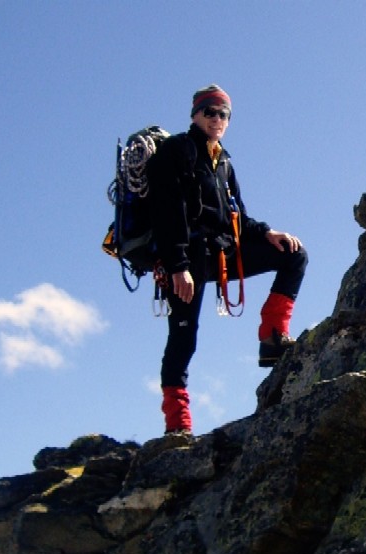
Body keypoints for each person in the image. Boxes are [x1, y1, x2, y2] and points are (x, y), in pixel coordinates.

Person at [147, 84, 307, 435]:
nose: (217, 119)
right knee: (183, 339)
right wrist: (177, 266)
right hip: (186, 261)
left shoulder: (224, 161)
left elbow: (237, 217)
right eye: (210, 112)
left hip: (220, 255)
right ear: (195, 115)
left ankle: (272, 338)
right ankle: (178, 427)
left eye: (224, 114)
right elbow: (166, 212)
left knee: (294, 254)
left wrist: (266, 232)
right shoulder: (176, 150)